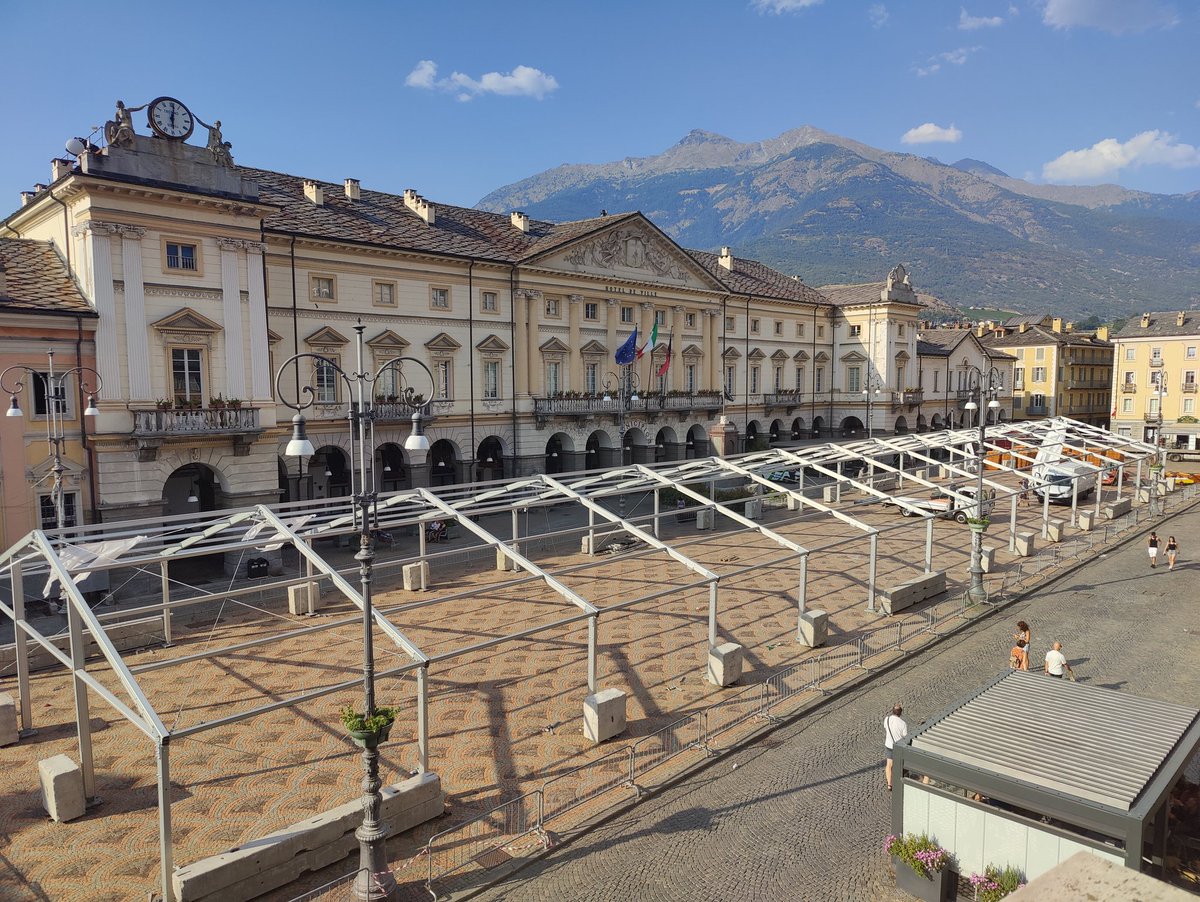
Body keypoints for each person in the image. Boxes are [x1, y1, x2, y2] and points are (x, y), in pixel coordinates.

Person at [884, 704, 908, 792]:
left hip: (888, 745)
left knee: (889, 765)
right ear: (900, 713)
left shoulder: (887, 719)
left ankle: (889, 784)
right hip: (898, 747)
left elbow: (885, 728)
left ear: (892, 711)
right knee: (898, 764)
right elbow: (905, 736)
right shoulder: (903, 724)